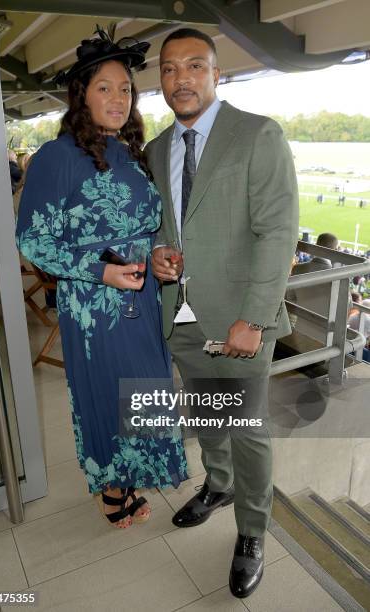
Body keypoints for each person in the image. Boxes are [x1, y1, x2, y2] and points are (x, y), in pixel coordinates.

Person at [16, 27, 188, 530]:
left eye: (125, 89)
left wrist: (157, 256)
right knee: (106, 393)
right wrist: (101, 271)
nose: (118, 98)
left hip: (142, 299)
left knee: (139, 392)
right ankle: (111, 486)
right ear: (81, 96)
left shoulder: (131, 155)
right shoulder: (57, 157)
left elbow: (145, 225)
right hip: (94, 304)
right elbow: (32, 240)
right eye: (104, 88)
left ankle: (129, 475)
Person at [148, 28, 299, 598]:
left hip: (241, 320)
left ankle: (253, 532)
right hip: (183, 315)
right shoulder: (159, 149)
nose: (180, 78)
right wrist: (158, 254)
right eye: (169, 68)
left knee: (248, 430)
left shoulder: (257, 134)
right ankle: (218, 485)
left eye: (194, 66)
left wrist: (254, 318)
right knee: (210, 417)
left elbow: (277, 231)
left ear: (217, 75)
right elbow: (168, 227)